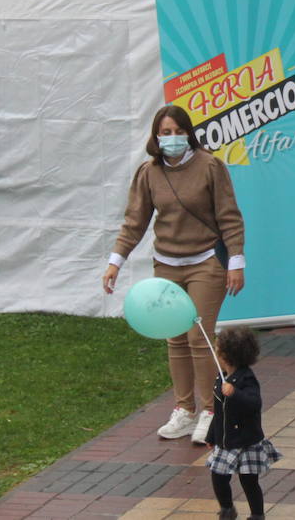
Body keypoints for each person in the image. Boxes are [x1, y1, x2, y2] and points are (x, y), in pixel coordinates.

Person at [103, 105, 245, 445]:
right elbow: (134, 221)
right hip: (166, 263)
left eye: (177, 131)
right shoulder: (148, 173)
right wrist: (115, 262)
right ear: (155, 137)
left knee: (199, 336)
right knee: (175, 337)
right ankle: (184, 409)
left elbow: (229, 216)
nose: (171, 139)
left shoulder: (210, 166)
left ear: (188, 133)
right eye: (164, 133)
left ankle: (211, 411)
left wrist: (236, 261)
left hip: (206, 261)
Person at [205, 327, 280, 520]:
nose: (214, 352)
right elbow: (219, 410)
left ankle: (257, 514)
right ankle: (227, 508)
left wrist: (235, 394)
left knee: (249, 481)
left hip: (246, 441)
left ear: (226, 355)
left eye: (217, 349)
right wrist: (211, 434)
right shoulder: (221, 378)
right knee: (218, 476)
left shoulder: (246, 379)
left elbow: (254, 403)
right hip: (226, 441)